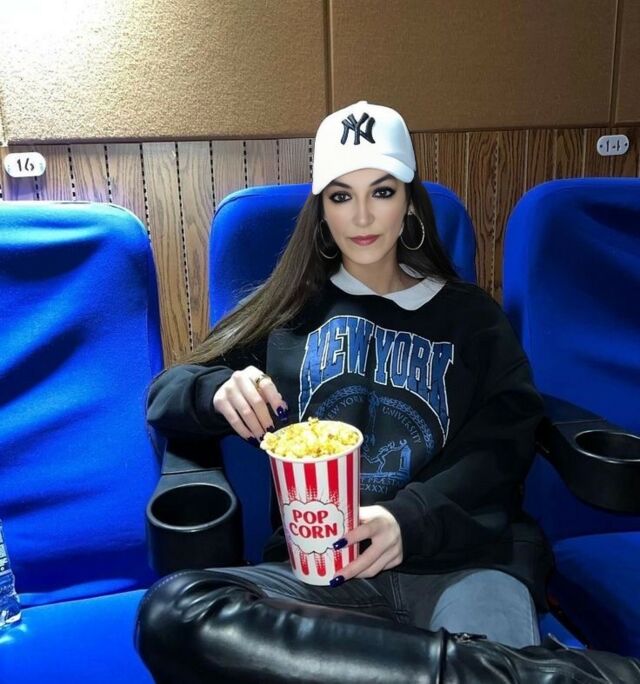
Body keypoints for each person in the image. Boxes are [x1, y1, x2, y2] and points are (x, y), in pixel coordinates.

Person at [135, 102, 640, 683]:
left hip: (464, 566)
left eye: (382, 191)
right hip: (323, 577)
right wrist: (217, 389)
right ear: (322, 212)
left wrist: (409, 520)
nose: (361, 216)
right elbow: (165, 394)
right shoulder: (288, 314)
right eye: (340, 196)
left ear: (409, 202)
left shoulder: (471, 318)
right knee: (173, 612)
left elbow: (503, 448)